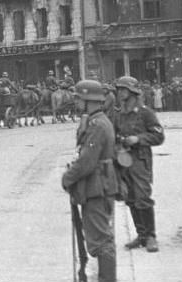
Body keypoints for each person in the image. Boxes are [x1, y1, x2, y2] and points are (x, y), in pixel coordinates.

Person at [62, 79, 118, 282]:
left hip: (97, 186)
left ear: (88, 100)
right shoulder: (95, 121)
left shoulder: (98, 124)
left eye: (78, 99)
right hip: (97, 185)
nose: (76, 103)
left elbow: (87, 161)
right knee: (100, 238)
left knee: (101, 241)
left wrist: (68, 178)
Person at [112, 76, 165, 253]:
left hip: (140, 161)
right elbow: (115, 134)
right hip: (124, 160)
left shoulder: (145, 113)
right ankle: (141, 235)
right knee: (131, 198)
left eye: (123, 90)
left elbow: (159, 136)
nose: (120, 93)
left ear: (133, 91)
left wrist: (139, 139)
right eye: (118, 90)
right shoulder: (119, 114)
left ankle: (151, 236)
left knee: (143, 197)